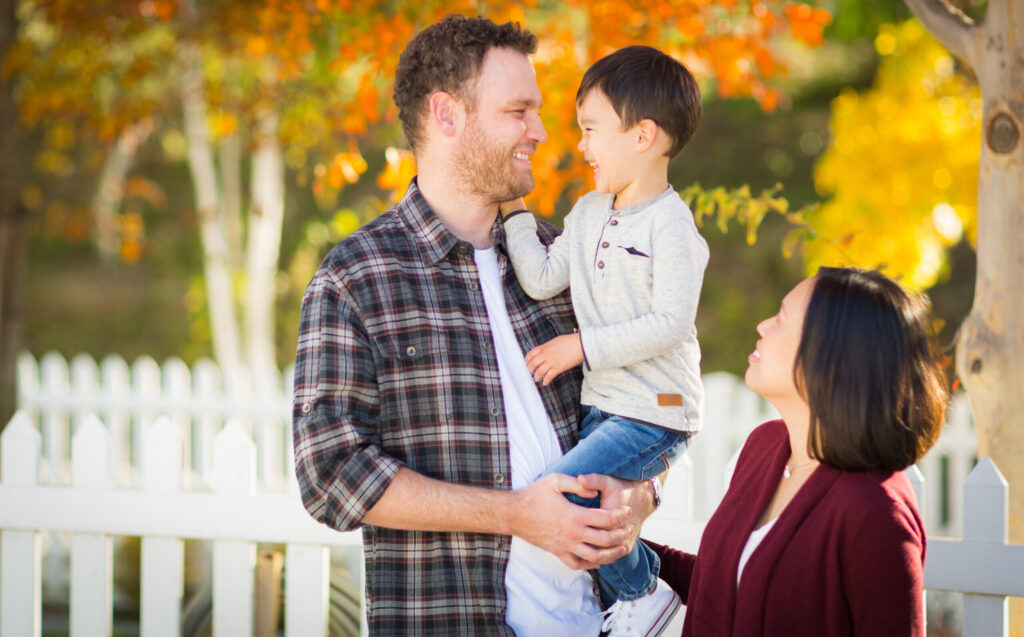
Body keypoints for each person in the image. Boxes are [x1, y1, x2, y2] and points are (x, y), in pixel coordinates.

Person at [292, 14, 659, 636]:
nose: (542, 132)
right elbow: (330, 475)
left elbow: (652, 397)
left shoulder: (569, 257)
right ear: (446, 115)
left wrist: (640, 492)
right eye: (519, 111)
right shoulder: (357, 277)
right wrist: (516, 514)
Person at [499, 44, 707, 636]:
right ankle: (642, 595)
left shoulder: (673, 225)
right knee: (591, 506)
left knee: (558, 496)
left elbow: (670, 321)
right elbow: (541, 278)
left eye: (591, 130)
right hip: (606, 406)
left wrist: (581, 347)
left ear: (642, 135)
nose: (582, 146)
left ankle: (646, 594)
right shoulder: (589, 211)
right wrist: (513, 209)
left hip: (656, 412)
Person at [646, 266, 948, 636]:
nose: (762, 325)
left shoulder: (877, 512)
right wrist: (622, 549)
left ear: (831, 354)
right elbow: (730, 586)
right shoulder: (765, 447)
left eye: (782, 318)